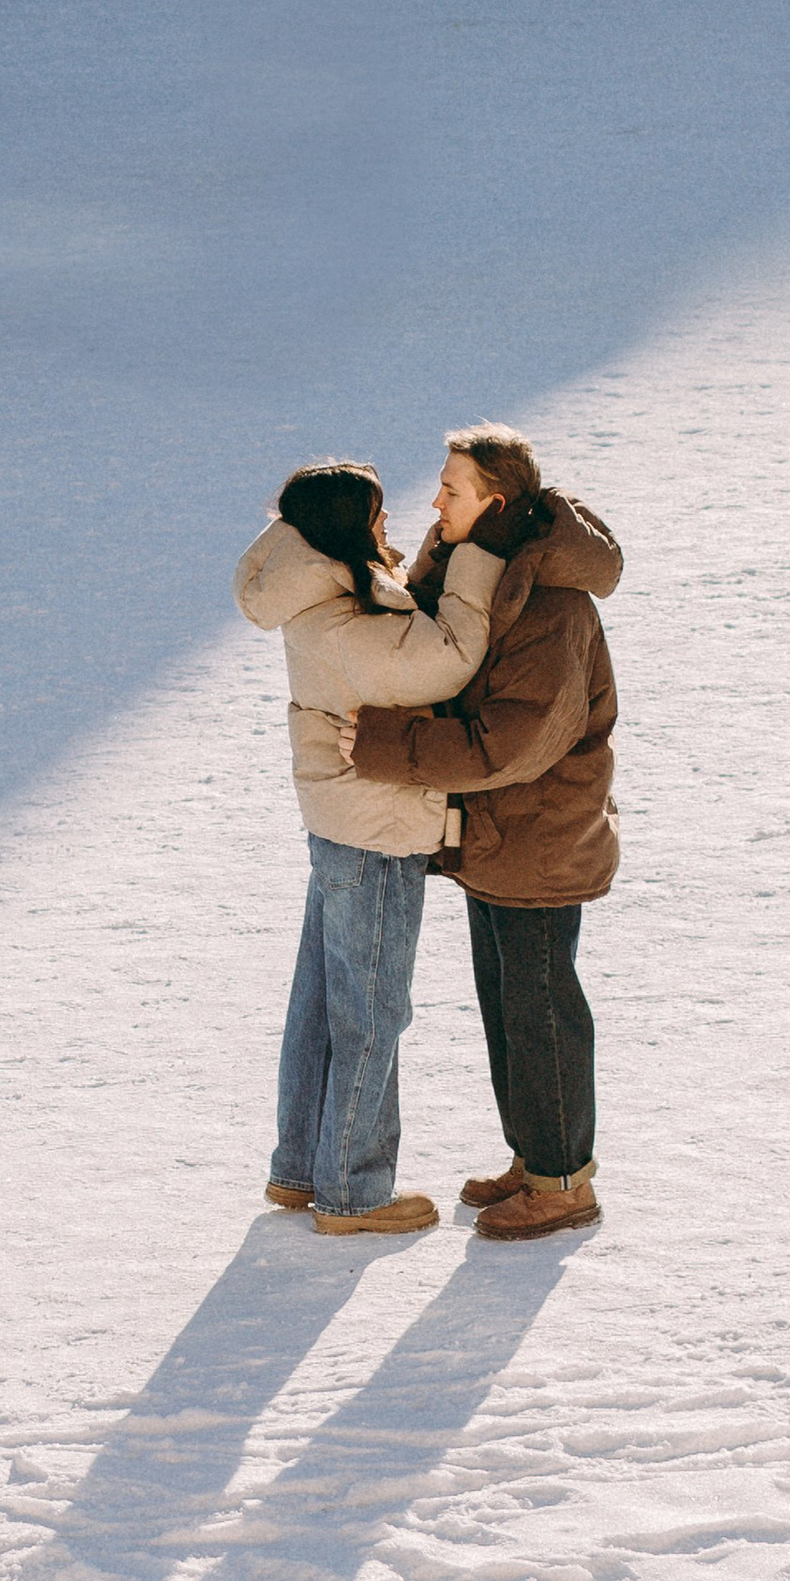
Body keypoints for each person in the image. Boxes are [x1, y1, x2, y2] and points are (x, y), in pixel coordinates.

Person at [347, 427, 621, 1243]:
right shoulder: (481, 573)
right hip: (499, 837)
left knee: (541, 1013)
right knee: (507, 1008)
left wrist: (386, 745)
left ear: (495, 503)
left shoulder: (552, 607)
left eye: (451, 491)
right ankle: (535, 1158)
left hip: (540, 838)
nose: (434, 502)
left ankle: (563, 1183)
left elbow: (513, 743)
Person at [235, 460, 511, 1233]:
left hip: (343, 821)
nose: (388, 524)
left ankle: (302, 1166)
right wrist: (477, 557)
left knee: (323, 1004)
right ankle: (355, 1190)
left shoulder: (318, 590)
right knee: (371, 1010)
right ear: (343, 526)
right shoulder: (342, 620)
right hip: (375, 826)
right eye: (376, 514)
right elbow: (449, 656)